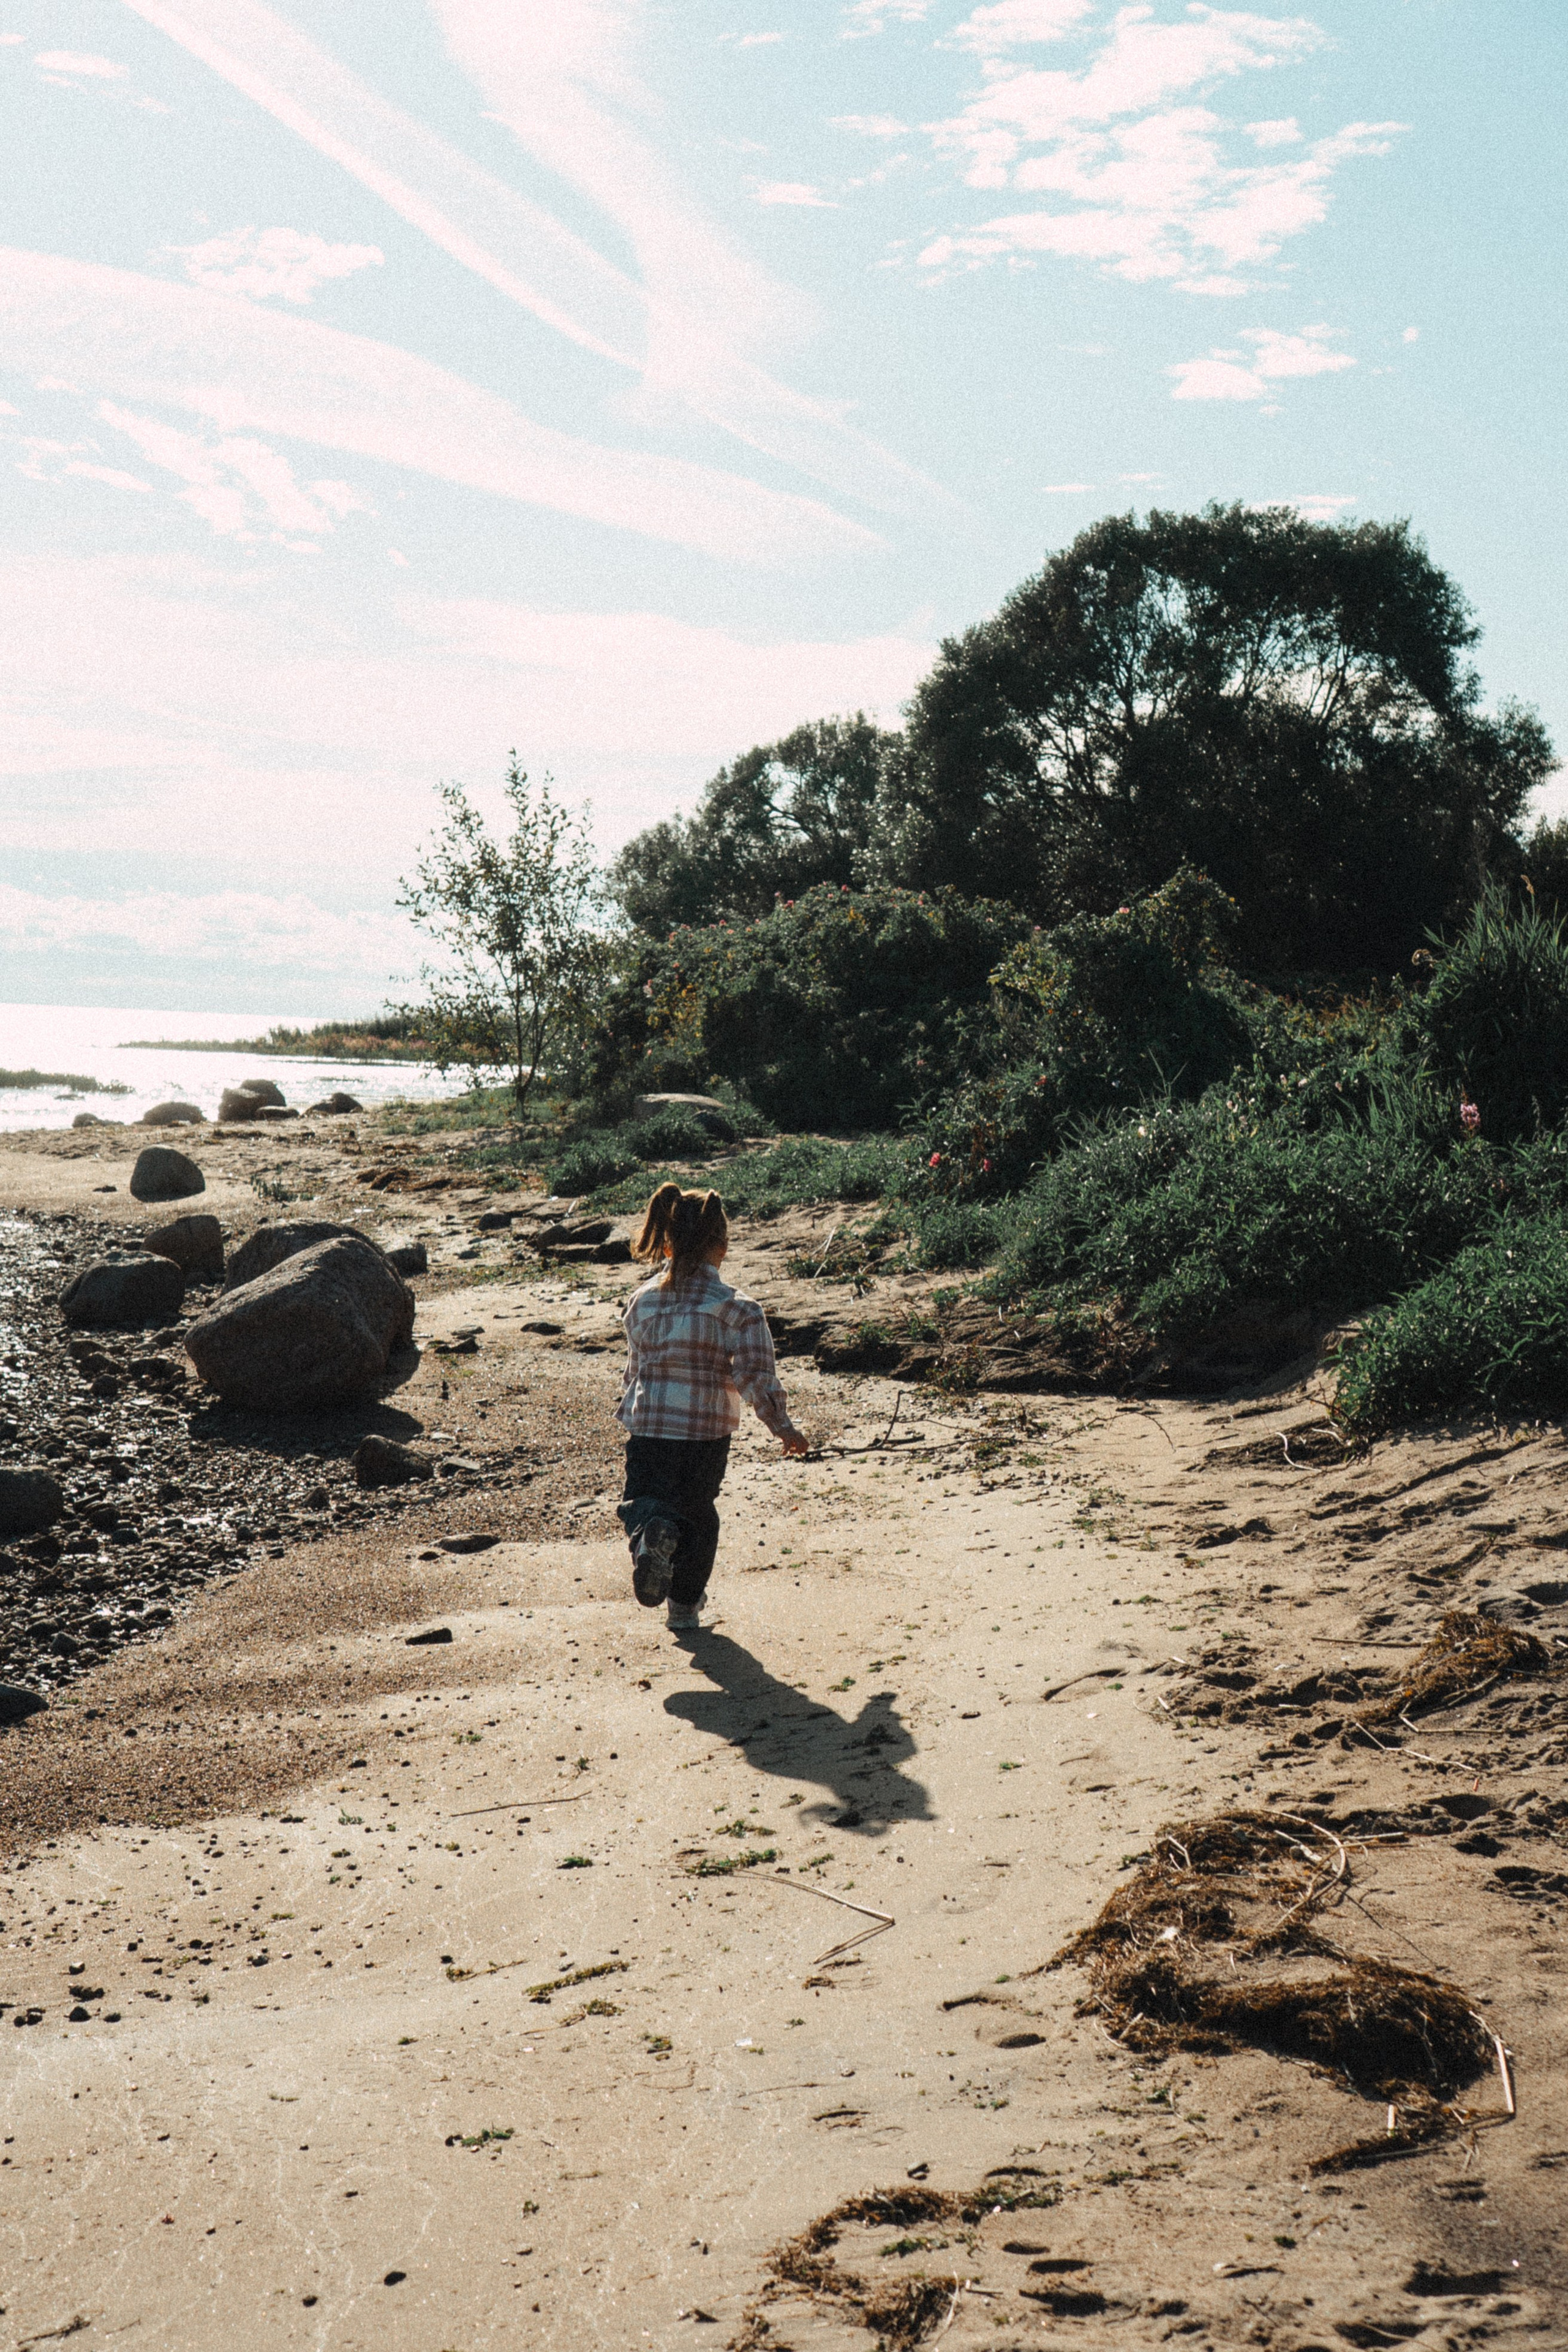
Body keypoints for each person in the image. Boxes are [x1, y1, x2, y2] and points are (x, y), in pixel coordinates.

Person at [617, 1183, 808, 1635]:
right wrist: (783, 1428)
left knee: (644, 1503)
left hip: (649, 1429)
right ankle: (683, 1608)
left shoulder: (642, 1302)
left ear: (666, 1242)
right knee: (698, 1514)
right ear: (721, 1245)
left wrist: (631, 1413)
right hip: (704, 1437)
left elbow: (634, 1370)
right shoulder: (739, 1309)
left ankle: (650, 1535)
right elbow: (755, 1377)